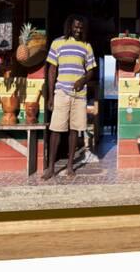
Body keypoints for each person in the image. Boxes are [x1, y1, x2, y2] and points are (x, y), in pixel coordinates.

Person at [42, 15, 96, 180]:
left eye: (81, 27)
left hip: (79, 96)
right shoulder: (57, 43)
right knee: (56, 130)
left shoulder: (86, 46)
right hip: (61, 92)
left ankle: (70, 166)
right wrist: (50, 96)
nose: (78, 30)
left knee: (74, 130)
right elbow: (51, 70)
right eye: (76, 27)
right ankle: (51, 168)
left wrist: (83, 79)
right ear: (69, 27)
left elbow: (91, 70)